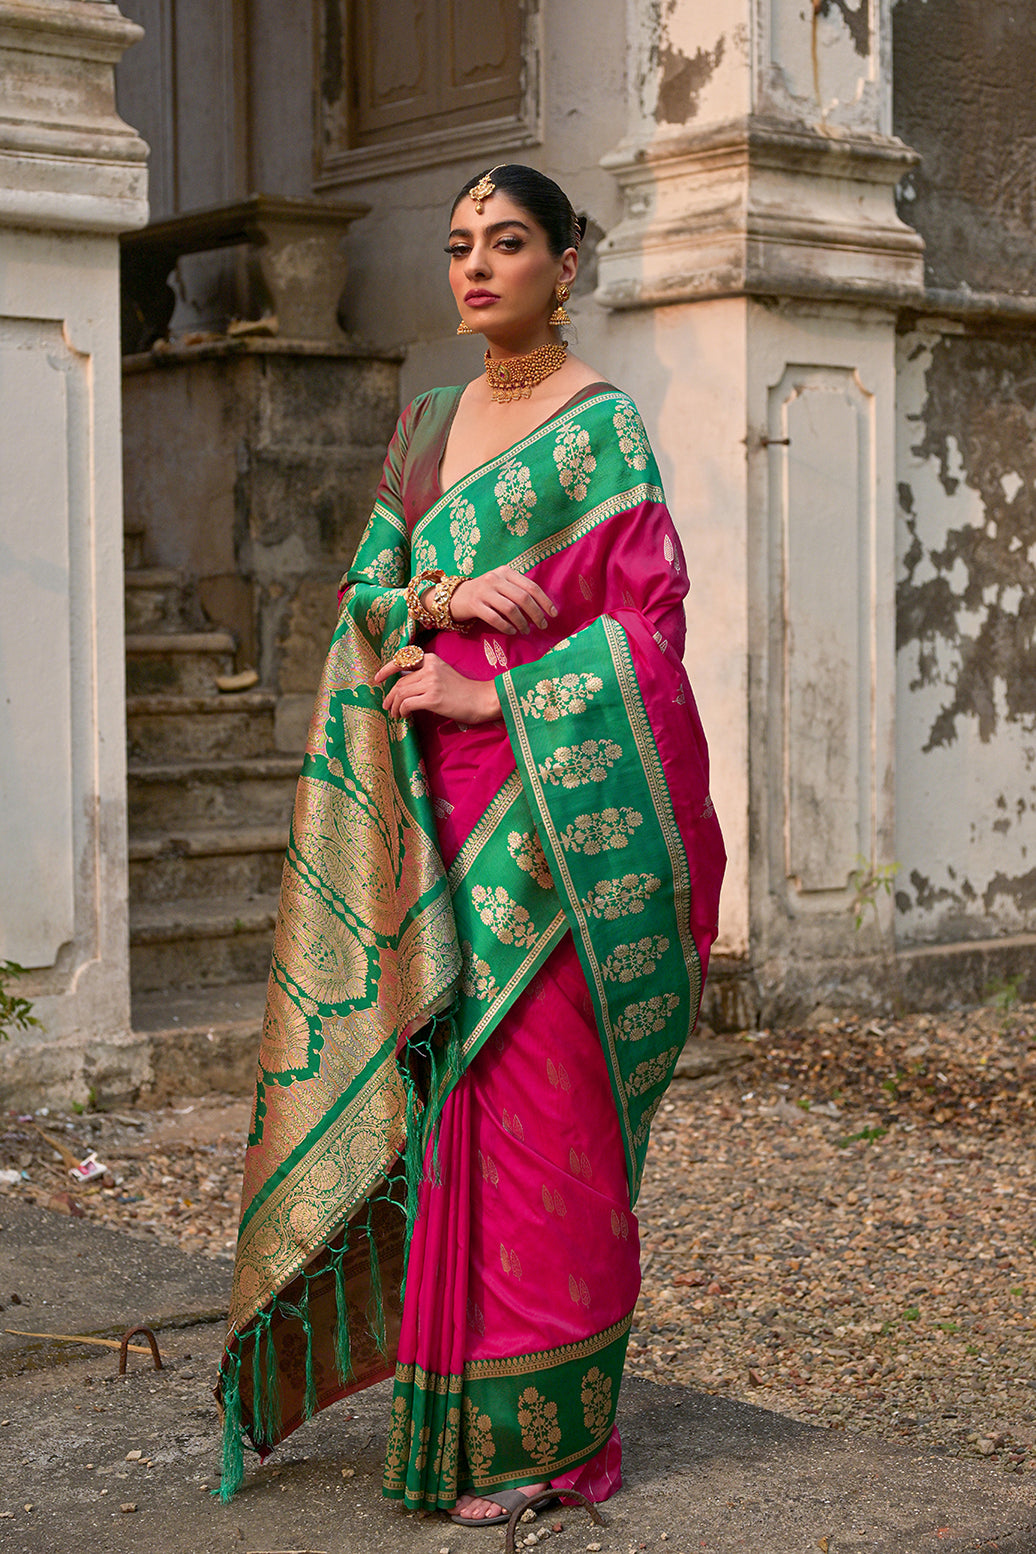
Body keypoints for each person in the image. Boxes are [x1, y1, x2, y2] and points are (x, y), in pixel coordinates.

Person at [216, 164, 725, 1526]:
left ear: (569, 263)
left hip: (554, 830)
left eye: (508, 242)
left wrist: (492, 687)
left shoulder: (605, 435)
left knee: (552, 1126)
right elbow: (365, 596)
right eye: (458, 247)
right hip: (442, 824)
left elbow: (653, 649)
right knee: (459, 1124)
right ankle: (455, 1431)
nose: (477, 266)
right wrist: (437, 596)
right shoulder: (425, 427)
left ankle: (554, 1437)